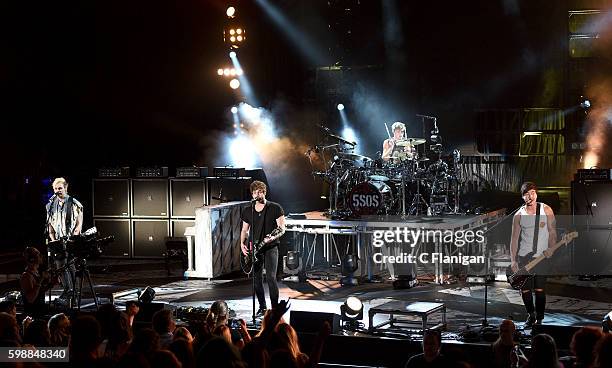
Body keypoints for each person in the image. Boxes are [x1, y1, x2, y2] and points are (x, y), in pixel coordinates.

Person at [510, 182, 557, 327]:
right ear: (523, 197)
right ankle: (531, 315)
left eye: (532, 192)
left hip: (542, 256)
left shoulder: (546, 209)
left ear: (536, 193)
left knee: (539, 289)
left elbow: (552, 231)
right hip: (524, 257)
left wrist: (551, 248)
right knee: (525, 289)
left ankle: (540, 319)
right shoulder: (518, 215)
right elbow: (514, 239)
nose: (530, 196)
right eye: (526, 194)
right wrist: (513, 260)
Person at [240, 180, 286, 317]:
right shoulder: (248, 210)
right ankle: (262, 307)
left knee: (271, 278)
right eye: (254, 192)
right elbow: (244, 230)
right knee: (256, 279)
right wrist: (242, 244)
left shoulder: (275, 208)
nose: (256, 194)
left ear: (264, 192)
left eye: (259, 191)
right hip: (255, 248)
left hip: (271, 246)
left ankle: (275, 308)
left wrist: (271, 238)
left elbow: (282, 228)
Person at [45, 177, 83, 301]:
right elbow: (49, 224)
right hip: (57, 241)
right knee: (60, 266)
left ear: (66, 188)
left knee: (69, 265)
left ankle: (72, 291)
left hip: (71, 240)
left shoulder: (74, 203)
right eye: (55, 189)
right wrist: (53, 239)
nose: (58, 191)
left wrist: (74, 238)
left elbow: (78, 224)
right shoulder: (50, 205)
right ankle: (69, 291)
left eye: (60, 188)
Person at [20, 247, 50, 317]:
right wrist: (40, 280)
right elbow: (30, 299)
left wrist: (51, 284)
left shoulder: (36, 272)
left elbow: (39, 292)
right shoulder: (26, 276)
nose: (41, 256)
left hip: (40, 311)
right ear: (32, 259)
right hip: (33, 314)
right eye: (37, 254)